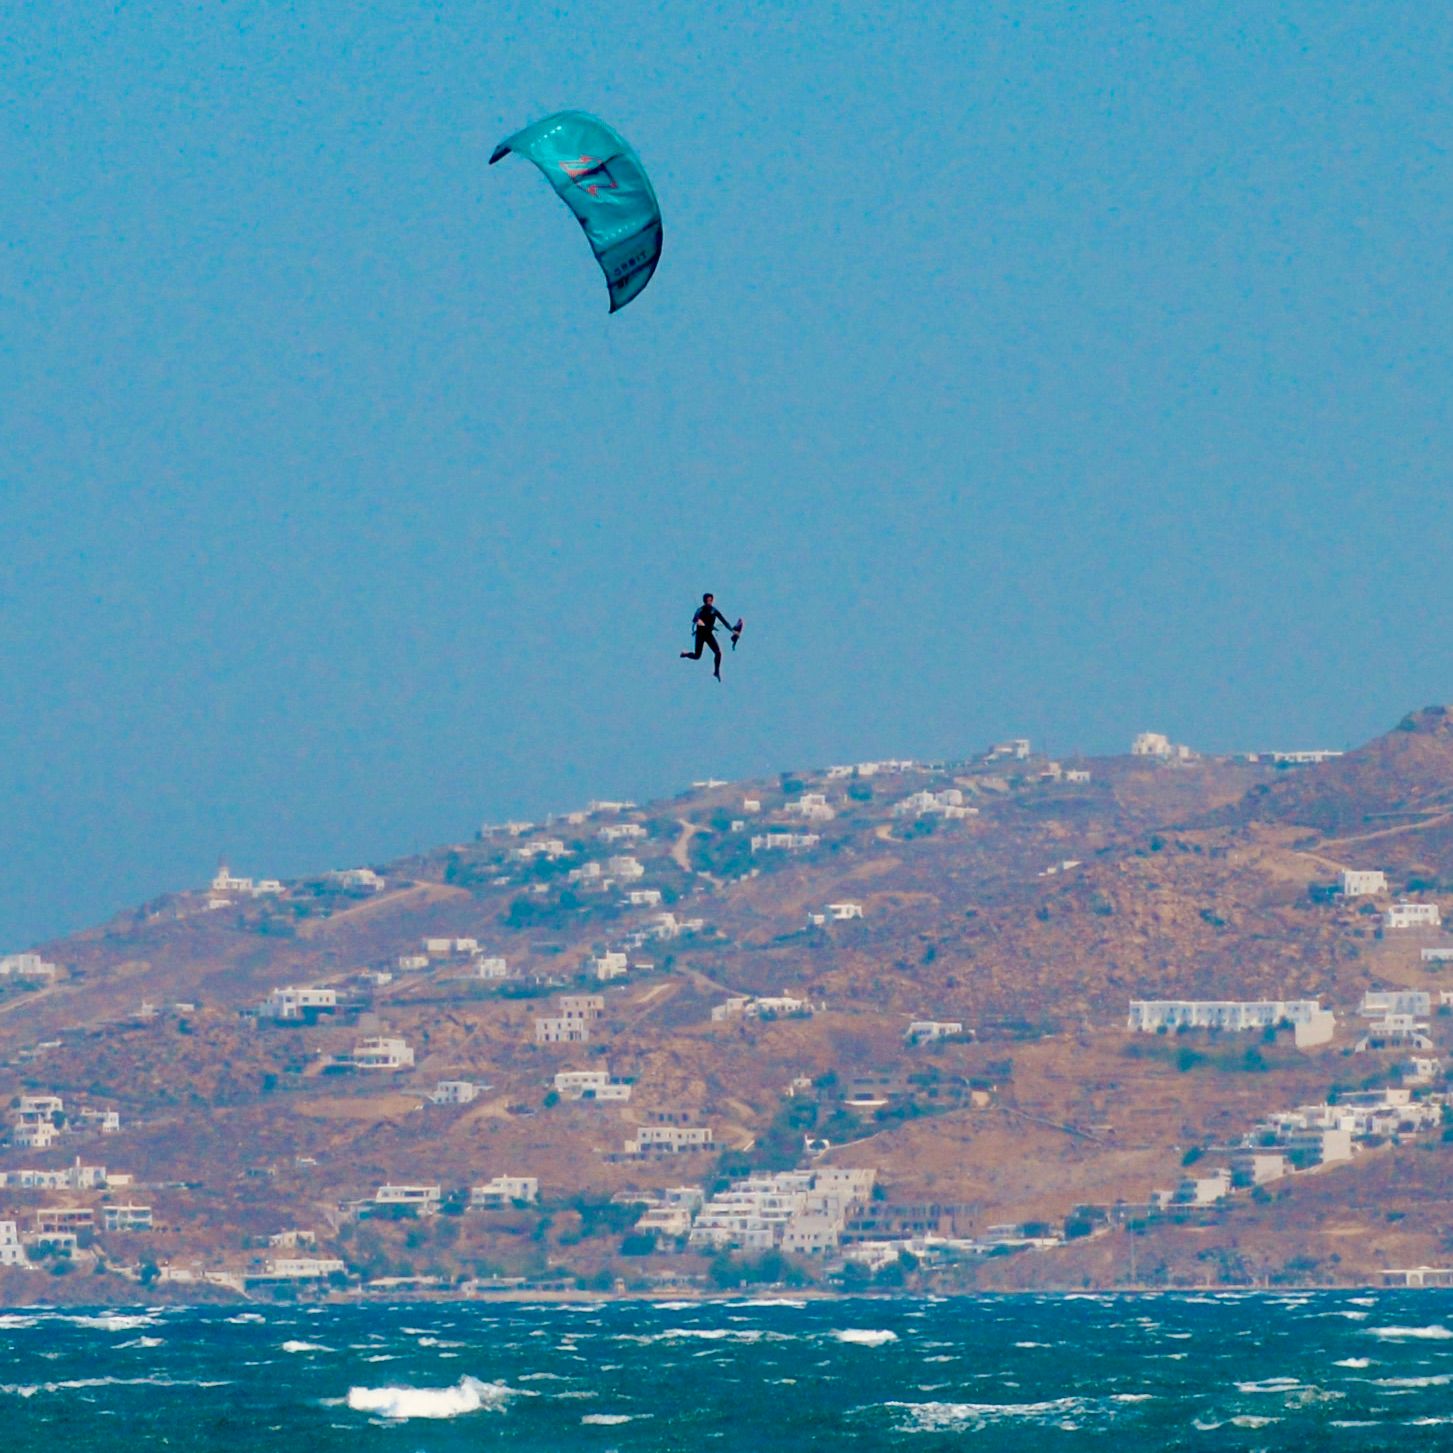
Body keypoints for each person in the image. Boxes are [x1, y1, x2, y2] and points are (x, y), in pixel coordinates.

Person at [680, 593, 736, 680]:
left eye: (710, 600)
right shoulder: (700, 610)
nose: (709, 602)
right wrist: (700, 622)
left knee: (718, 653)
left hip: (708, 635)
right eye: (707, 600)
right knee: (697, 656)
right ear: (704, 601)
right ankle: (685, 654)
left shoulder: (714, 611)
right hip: (700, 635)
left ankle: (716, 671)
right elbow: (695, 619)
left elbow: (724, 622)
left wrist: (732, 631)